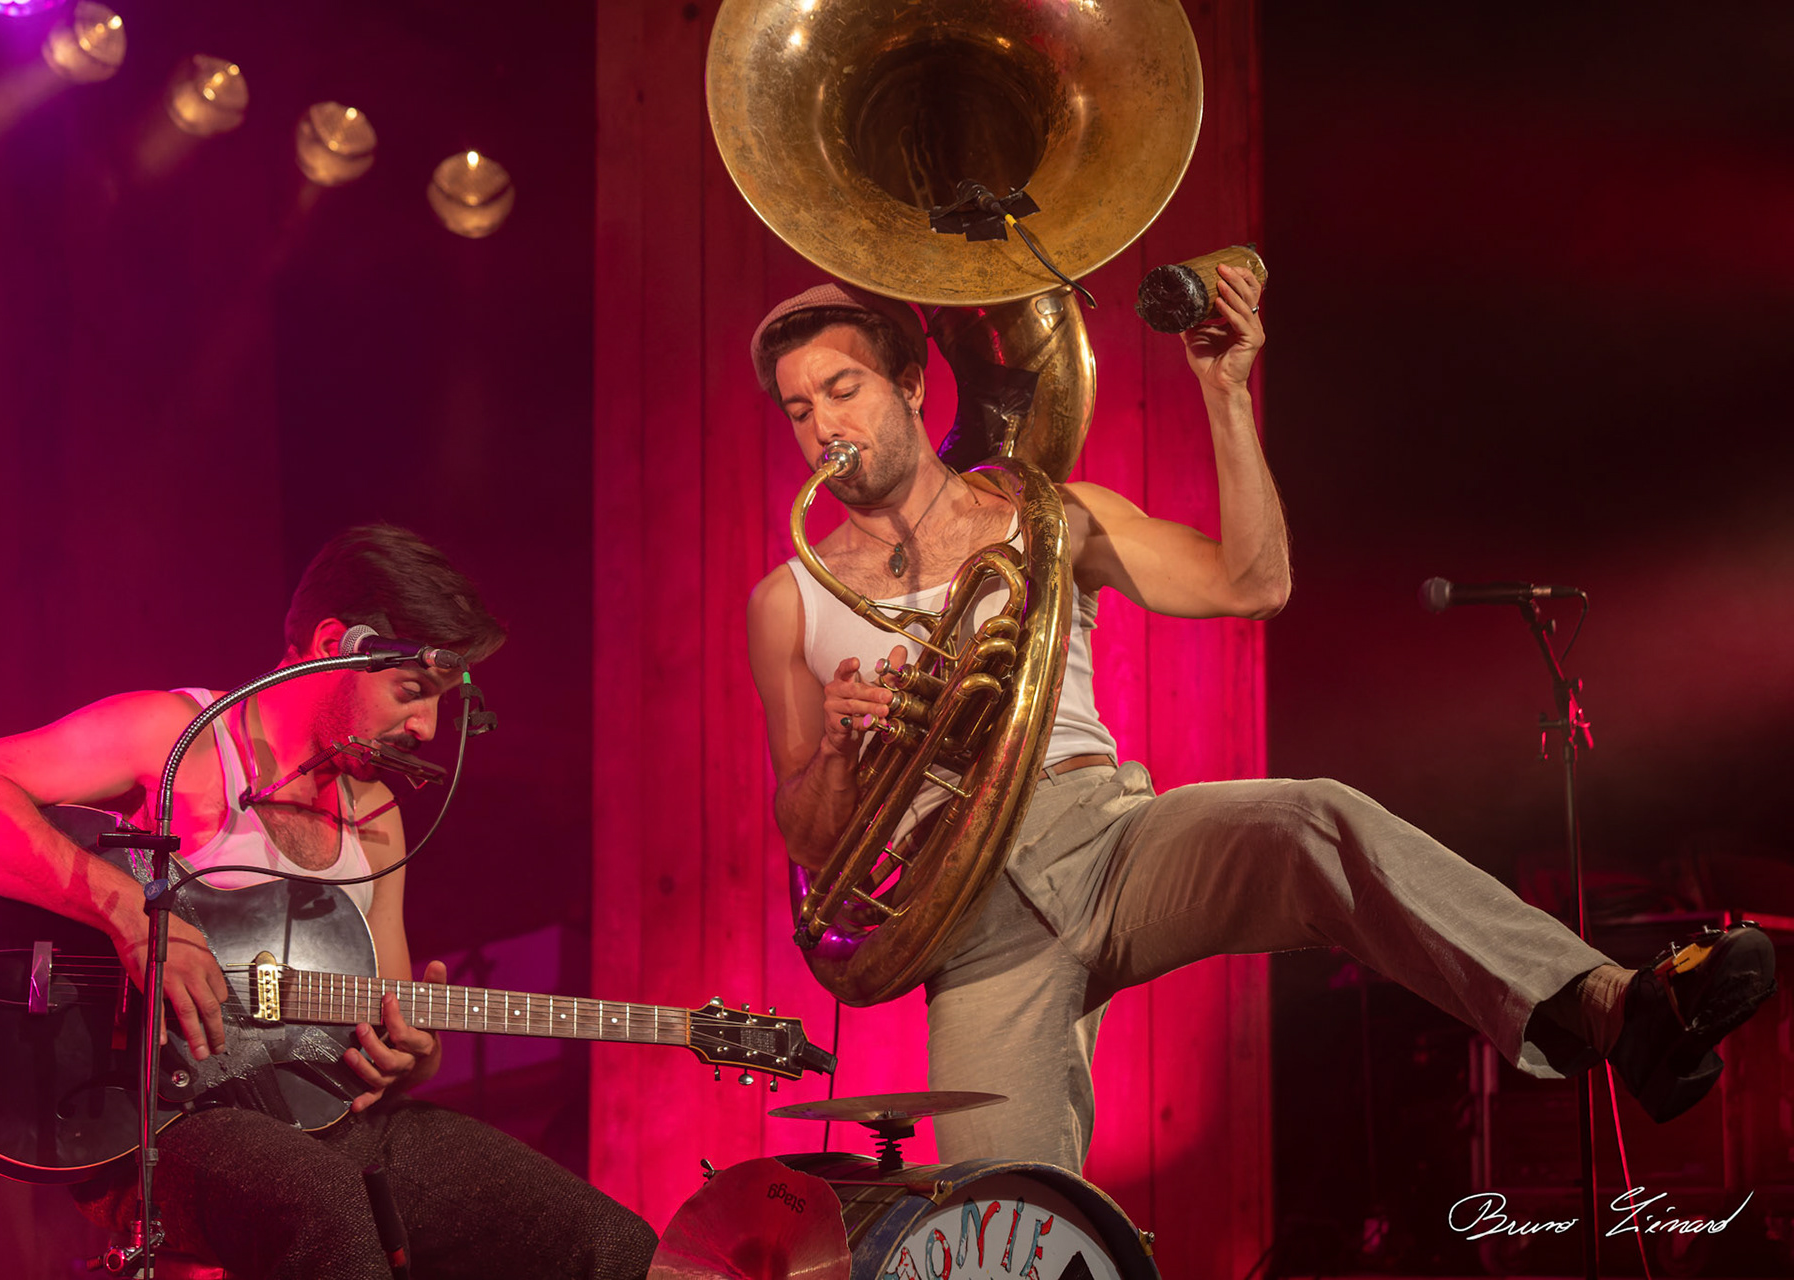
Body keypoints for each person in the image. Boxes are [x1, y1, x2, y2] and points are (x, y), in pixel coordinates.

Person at [743, 275, 1778, 1170]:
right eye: (799, 408)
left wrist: (1224, 391)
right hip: (965, 918)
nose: (825, 424)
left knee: (1312, 817)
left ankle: (1614, 1004)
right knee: (1003, 1220)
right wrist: (837, 749)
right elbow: (807, 831)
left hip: (1108, 837)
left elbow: (1254, 581)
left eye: (844, 388)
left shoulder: (1049, 513)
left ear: (913, 384)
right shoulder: (788, 597)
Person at [0, 524, 658, 1280]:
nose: (428, 727)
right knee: (323, 1208)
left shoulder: (379, 818)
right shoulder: (178, 735)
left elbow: (381, 1023)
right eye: (412, 691)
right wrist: (130, 913)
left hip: (319, 1119)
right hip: (149, 1125)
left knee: (606, 1241)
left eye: (440, 702)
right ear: (336, 642)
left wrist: (415, 1056)